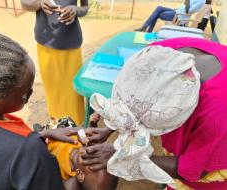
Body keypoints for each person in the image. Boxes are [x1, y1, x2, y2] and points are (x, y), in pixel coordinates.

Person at [0, 29, 116, 190]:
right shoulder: (27, 149)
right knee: (102, 170)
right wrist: (79, 175)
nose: (31, 94)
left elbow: (2, 158)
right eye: (25, 93)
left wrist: (42, 134)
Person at [80, 38, 227, 189]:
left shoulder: (217, 117)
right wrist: (110, 127)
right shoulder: (155, 53)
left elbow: (196, 168)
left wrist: (123, 156)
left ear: (180, 113)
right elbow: (135, 100)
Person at [21, 0, 88, 125]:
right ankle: (58, 126)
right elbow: (24, 3)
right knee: (54, 92)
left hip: (71, 43)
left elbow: (85, 8)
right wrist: (39, 4)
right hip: (46, 44)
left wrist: (75, 9)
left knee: (73, 92)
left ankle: (76, 126)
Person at [135, 0, 206, 32]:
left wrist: (187, 1)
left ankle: (146, 29)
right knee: (159, 8)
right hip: (176, 11)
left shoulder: (201, 1)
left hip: (179, 16)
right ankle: (145, 28)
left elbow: (188, 11)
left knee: (157, 14)